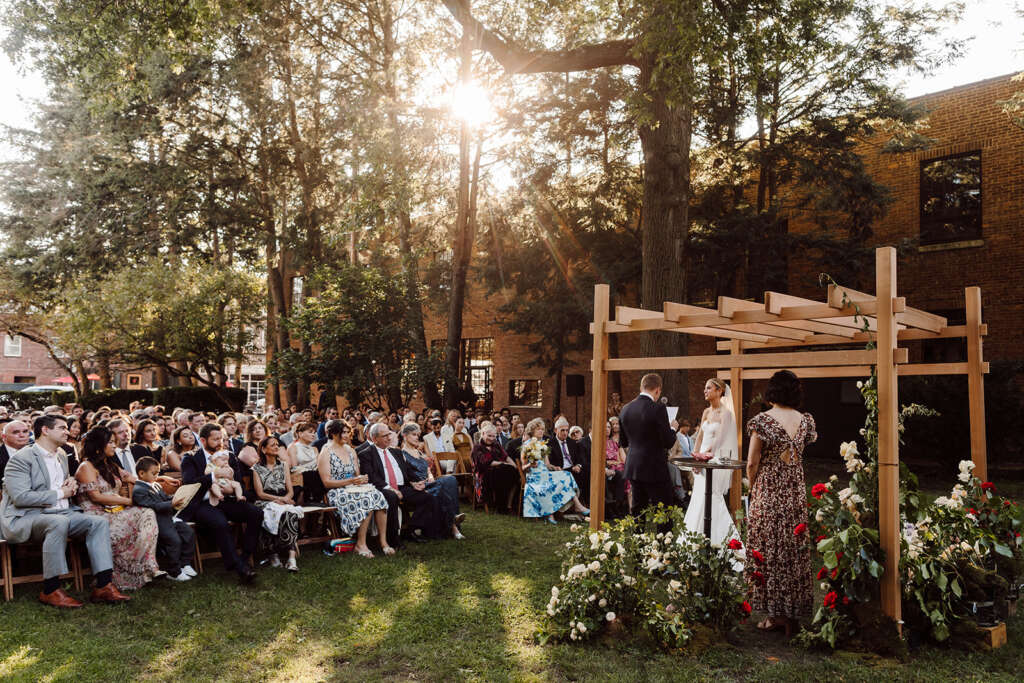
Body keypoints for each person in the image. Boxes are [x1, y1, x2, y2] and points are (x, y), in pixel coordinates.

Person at [0, 415, 129, 607]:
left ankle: (103, 585)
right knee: (58, 523)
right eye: (61, 428)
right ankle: (50, 589)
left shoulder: (61, 454)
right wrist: (61, 492)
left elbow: (60, 483)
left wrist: (71, 482)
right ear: (45, 430)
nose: (67, 431)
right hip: (26, 517)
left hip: (62, 513)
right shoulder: (21, 459)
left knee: (98, 521)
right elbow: (21, 498)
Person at [745, 370, 816, 637]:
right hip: (794, 492)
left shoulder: (763, 421)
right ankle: (792, 613)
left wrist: (752, 486)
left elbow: (752, 461)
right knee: (792, 551)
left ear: (772, 391)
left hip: (769, 491)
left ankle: (775, 614)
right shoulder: (805, 421)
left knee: (769, 548)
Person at [75, 426, 160, 590]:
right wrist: (129, 501)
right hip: (97, 514)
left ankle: (145, 564)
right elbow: (95, 497)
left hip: (118, 511)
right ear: (99, 445)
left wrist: (158, 482)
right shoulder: (86, 467)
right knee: (141, 514)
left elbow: (133, 478)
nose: (115, 446)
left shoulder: (110, 465)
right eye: (111, 442)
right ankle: (134, 566)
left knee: (148, 513)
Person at [179, 423, 261, 584]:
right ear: (203, 440)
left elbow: (239, 483)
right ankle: (239, 568)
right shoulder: (191, 457)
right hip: (202, 503)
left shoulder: (229, 455)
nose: (220, 442)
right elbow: (190, 483)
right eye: (215, 439)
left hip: (227, 499)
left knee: (256, 513)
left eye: (221, 439)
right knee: (220, 523)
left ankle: (244, 557)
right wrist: (213, 475)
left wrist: (232, 490)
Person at [359, 423, 443, 546]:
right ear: (375, 439)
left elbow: (407, 470)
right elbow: (372, 477)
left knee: (428, 498)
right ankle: (393, 540)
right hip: (382, 489)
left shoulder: (396, 452)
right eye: (384, 436)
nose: (389, 438)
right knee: (392, 497)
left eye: (389, 434)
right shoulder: (366, 454)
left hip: (402, 487)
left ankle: (410, 530)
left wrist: (414, 482)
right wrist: (390, 489)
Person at [318, 419, 391, 558]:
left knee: (377, 495)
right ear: (333, 434)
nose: (346, 435)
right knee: (366, 499)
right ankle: (361, 544)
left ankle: (383, 542)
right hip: (337, 491)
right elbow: (327, 482)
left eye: (347, 432)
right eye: (343, 433)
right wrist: (351, 481)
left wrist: (361, 479)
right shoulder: (326, 452)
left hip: (354, 488)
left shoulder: (351, 450)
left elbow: (357, 475)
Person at [683, 379, 740, 545]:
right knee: (699, 496)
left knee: (712, 496)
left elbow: (720, 439)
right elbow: (700, 436)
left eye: (708, 388)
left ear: (719, 390)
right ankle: (696, 537)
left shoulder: (726, 414)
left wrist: (706, 456)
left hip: (714, 459)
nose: (705, 391)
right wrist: (696, 457)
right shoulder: (706, 412)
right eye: (704, 388)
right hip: (702, 459)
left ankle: (722, 540)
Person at [619, 373, 677, 517]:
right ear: (657, 390)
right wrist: (673, 428)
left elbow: (624, 442)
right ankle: (664, 540)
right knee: (663, 509)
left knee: (638, 508)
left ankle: (638, 538)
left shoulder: (625, 409)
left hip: (633, 465)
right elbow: (668, 442)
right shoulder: (658, 409)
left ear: (641, 387)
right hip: (654, 466)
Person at [132, 456, 196, 582]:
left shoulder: (155, 485)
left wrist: (176, 498)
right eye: (154, 473)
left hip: (168, 517)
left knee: (188, 532)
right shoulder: (139, 490)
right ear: (141, 473)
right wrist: (171, 503)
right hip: (156, 521)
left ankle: (185, 563)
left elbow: (164, 498)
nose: (157, 476)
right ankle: (174, 571)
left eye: (158, 473)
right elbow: (153, 506)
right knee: (174, 541)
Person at [399, 423, 464, 539]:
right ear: (405, 436)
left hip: (429, 482)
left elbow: (428, 470)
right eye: (413, 434)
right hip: (419, 487)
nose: (417, 437)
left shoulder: (419, 452)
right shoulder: (402, 454)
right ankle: (453, 523)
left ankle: (452, 523)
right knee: (445, 483)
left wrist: (430, 476)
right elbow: (404, 475)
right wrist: (414, 484)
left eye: (418, 435)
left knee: (451, 480)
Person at [521, 418, 589, 523]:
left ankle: (577, 505)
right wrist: (530, 464)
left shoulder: (543, 444)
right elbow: (523, 467)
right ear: (532, 431)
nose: (541, 431)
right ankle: (551, 513)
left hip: (545, 473)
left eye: (542, 429)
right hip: (534, 476)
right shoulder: (527, 445)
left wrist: (555, 467)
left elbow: (547, 465)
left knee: (566, 474)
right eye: (538, 429)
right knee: (557, 479)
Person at [252, 436, 302, 572]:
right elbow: (260, 493)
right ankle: (272, 553)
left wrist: (285, 499)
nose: (276, 447)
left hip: (283, 498)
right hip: (265, 501)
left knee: (289, 514)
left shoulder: (283, 465)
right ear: (263, 449)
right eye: (272, 445)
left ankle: (291, 558)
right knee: (271, 513)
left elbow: (290, 490)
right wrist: (276, 500)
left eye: (277, 445)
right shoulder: (256, 468)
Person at [471, 424, 520, 515]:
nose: (491, 438)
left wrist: (514, 466)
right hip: (484, 473)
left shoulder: (496, 444)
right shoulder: (477, 447)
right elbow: (485, 462)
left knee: (513, 473)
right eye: (489, 436)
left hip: (500, 470)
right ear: (483, 433)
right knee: (502, 473)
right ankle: (502, 507)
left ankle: (509, 505)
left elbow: (505, 456)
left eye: (494, 436)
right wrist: (502, 464)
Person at [547, 418, 590, 507]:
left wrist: (578, 465)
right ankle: (576, 506)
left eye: (567, 430)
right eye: (562, 430)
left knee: (588, 473)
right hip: (560, 470)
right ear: (555, 430)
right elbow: (550, 462)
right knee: (570, 476)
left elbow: (579, 458)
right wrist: (556, 467)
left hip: (573, 468)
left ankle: (589, 505)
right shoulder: (550, 444)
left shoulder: (572, 443)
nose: (565, 433)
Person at [286, 421, 324, 505]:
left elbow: (319, 465)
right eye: (310, 432)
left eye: (314, 432)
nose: (313, 435)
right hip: (300, 477)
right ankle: (311, 500)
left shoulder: (314, 449)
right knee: (311, 474)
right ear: (300, 433)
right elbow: (294, 468)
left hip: (316, 476)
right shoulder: (293, 447)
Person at [1, 419, 31, 485]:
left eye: (25, 431)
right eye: (16, 432)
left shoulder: (37, 451)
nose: (22, 435)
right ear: (4, 437)